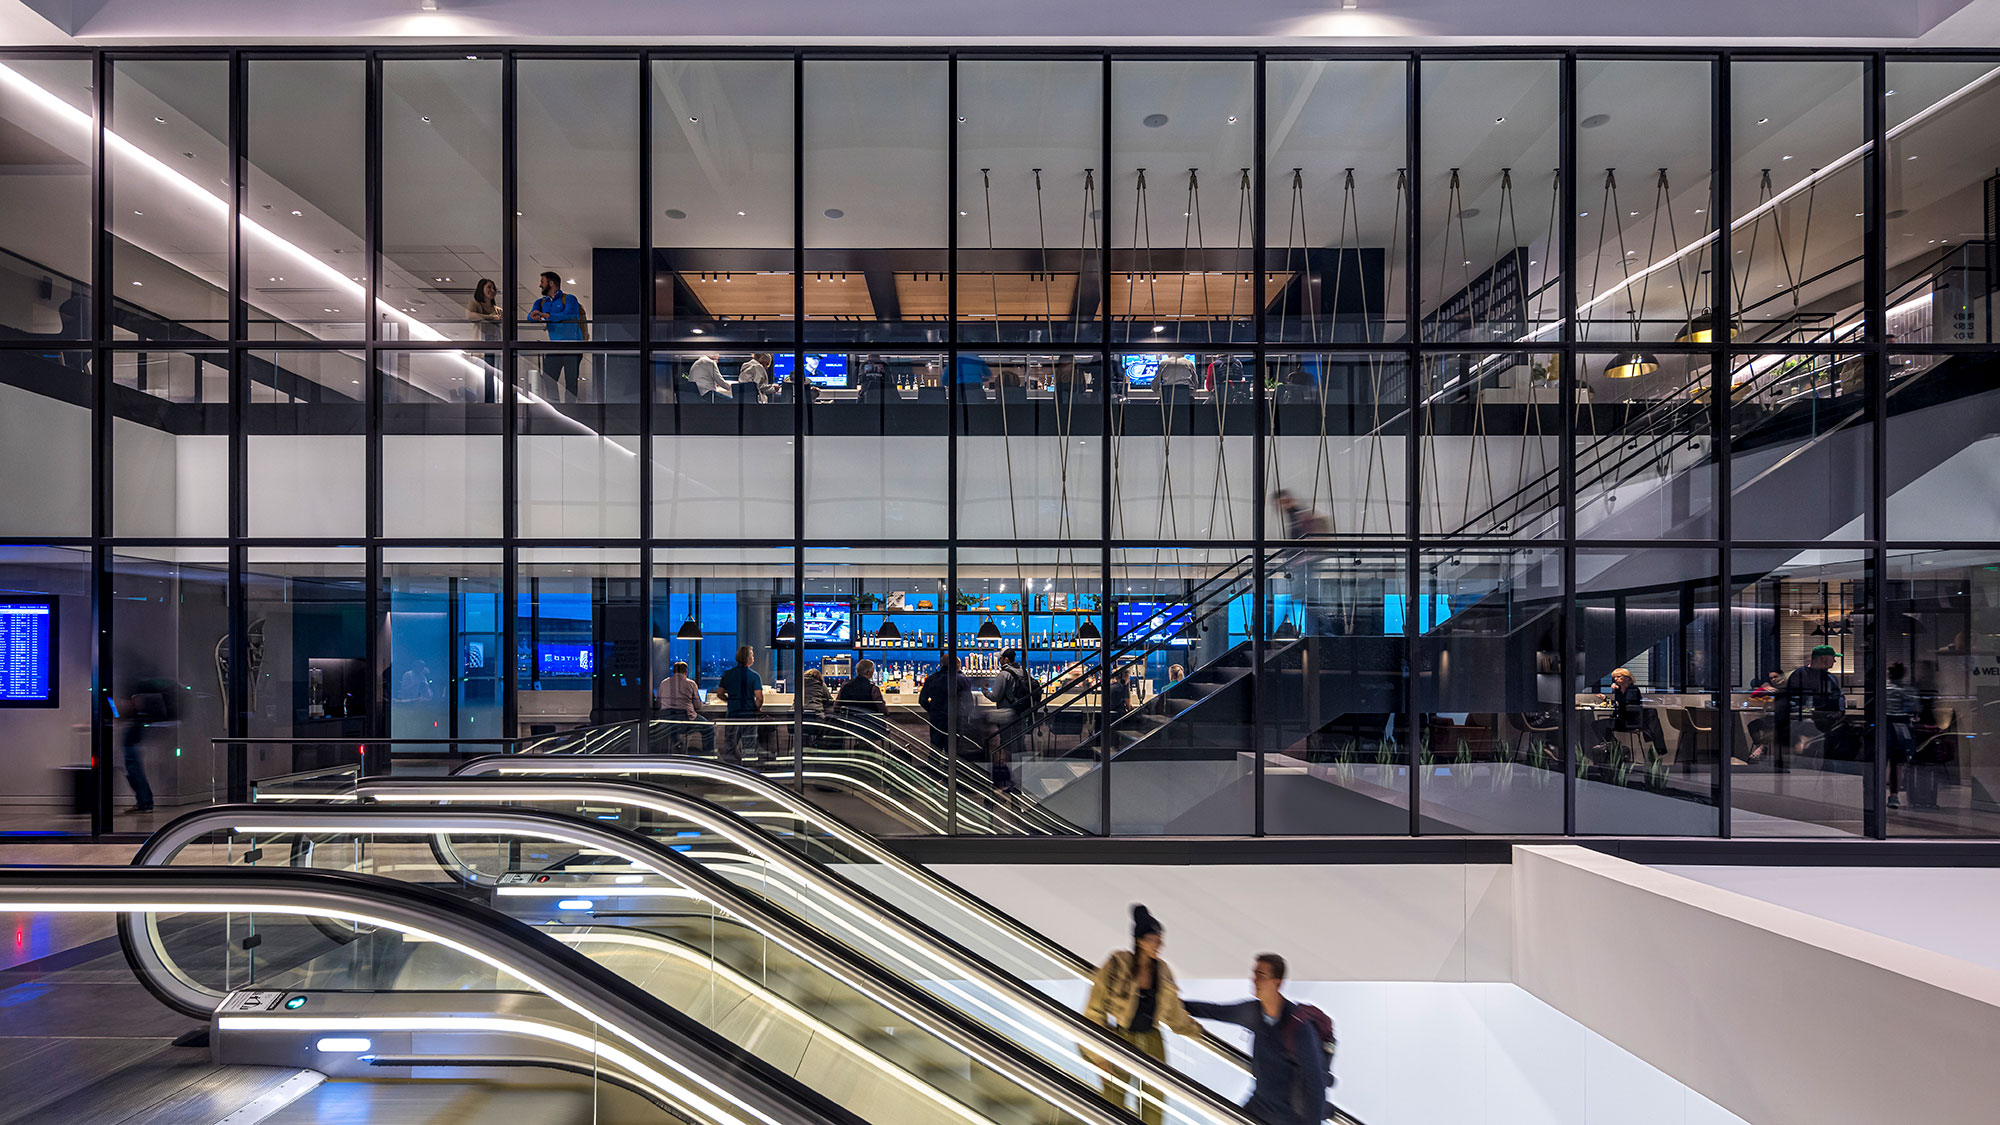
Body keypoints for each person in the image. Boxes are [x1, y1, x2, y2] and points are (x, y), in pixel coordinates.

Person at [1084, 905, 1207, 1125]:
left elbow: (1173, 1013)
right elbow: (1094, 1009)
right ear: (1140, 939)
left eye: (1161, 940)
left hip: (1152, 1041)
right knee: (1112, 1102)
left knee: (1154, 1106)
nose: (1160, 945)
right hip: (1120, 1038)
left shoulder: (1163, 971)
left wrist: (1196, 1031)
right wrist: (1099, 1056)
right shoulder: (1118, 964)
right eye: (1155, 939)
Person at [1184, 955, 1332, 1125]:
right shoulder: (1254, 1012)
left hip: (1288, 1118)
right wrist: (1174, 1004)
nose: (1254, 980)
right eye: (1254, 974)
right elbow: (1214, 1011)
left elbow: (1315, 1084)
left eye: (1261, 975)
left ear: (1277, 982)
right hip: (1259, 1108)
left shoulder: (1297, 1027)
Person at [1775, 644, 1848, 769]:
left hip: (1827, 722)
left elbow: (1839, 696)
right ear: (1823, 658)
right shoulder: (1799, 675)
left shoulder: (1831, 678)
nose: (1835, 661)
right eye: (1832, 657)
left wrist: (1840, 710)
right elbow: (1793, 699)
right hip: (1806, 723)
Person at [529, 270, 585, 400]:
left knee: (571, 382)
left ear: (551, 283)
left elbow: (570, 315)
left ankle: (570, 411)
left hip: (572, 346)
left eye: (542, 281)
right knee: (549, 379)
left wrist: (546, 315)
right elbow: (530, 316)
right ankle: (555, 407)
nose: (540, 285)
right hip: (554, 347)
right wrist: (535, 315)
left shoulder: (569, 298)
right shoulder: (542, 302)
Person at [714, 645, 769, 765]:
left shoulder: (728, 674)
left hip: (732, 714)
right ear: (748, 659)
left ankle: (732, 771)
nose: (753, 658)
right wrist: (756, 708)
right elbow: (759, 698)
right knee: (749, 746)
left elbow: (720, 694)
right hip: (748, 715)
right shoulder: (754, 676)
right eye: (752, 656)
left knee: (730, 745)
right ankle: (748, 771)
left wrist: (731, 701)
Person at [656, 660, 714, 756]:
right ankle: (708, 755)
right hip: (686, 721)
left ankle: (677, 745)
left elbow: (659, 702)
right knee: (709, 728)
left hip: (666, 721)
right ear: (685, 672)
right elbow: (698, 706)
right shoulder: (690, 684)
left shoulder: (663, 683)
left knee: (673, 726)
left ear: (673, 671)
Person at [464, 278, 503, 403]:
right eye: (489, 287)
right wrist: (490, 317)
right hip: (482, 345)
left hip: (494, 347)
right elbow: (469, 316)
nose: (492, 290)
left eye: (493, 288)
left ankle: (490, 401)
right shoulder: (475, 303)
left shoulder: (498, 310)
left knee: (491, 375)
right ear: (482, 289)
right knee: (481, 375)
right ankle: (482, 401)